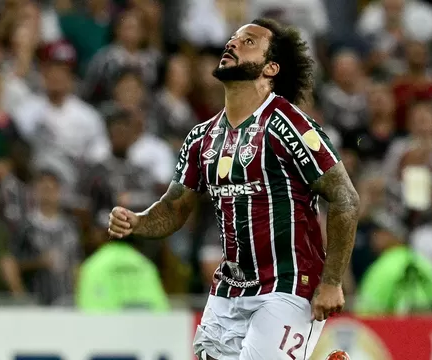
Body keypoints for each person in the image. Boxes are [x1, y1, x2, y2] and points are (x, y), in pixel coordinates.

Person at [108, 18, 360, 360]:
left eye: (249, 42)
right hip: (230, 288)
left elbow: (345, 199)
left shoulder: (289, 126)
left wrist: (332, 281)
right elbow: (174, 207)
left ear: (270, 68)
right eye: (233, 38)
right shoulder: (201, 137)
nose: (232, 44)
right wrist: (138, 221)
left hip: (288, 285)